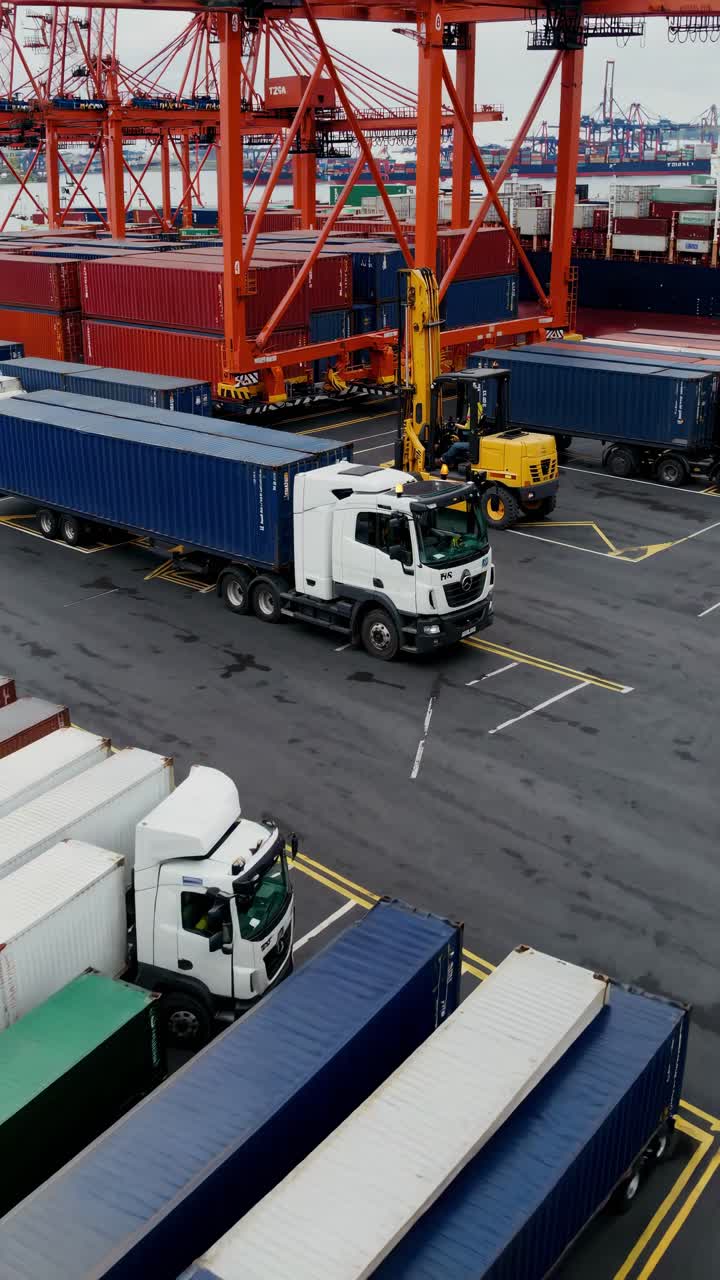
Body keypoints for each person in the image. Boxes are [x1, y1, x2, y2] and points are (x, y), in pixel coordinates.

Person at [441, 401, 483, 468]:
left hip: (474, 444)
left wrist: (455, 425)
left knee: (455, 446)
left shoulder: (473, 407)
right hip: (477, 440)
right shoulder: (479, 406)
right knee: (458, 442)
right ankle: (452, 463)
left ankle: (443, 459)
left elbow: (468, 427)